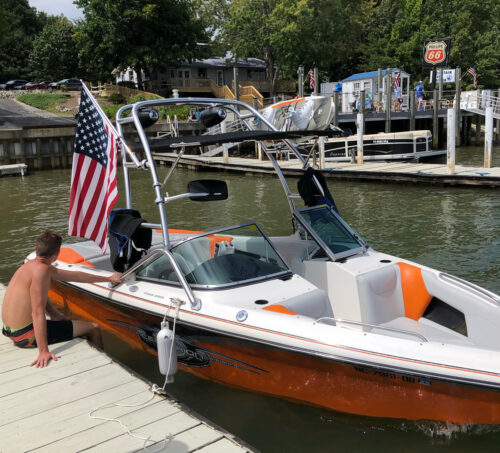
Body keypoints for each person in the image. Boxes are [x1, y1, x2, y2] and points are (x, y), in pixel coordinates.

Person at [1, 230, 122, 368]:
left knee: (40, 295)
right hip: (25, 336)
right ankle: (103, 367)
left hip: (10, 331)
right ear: (56, 254)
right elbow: (37, 313)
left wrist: (107, 278)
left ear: (36, 249)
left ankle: (56, 316)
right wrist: (43, 351)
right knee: (93, 328)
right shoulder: (42, 271)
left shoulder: (30, 265)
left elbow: (77, 276)